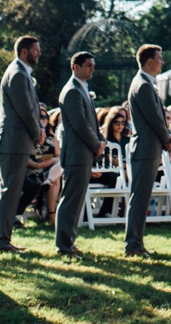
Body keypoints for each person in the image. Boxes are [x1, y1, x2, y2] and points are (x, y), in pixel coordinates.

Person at [0, 35, 43, 252]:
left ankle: (4, 239)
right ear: (24, 52)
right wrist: (37, 131)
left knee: (11, 190)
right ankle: (0, 241)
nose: (38, 54)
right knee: (9, 190)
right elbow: (25, 109)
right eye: (35, 50)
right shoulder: (18, 74)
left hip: (16, 142)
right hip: (12, 141)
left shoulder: (21, 73)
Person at [125, 44, 171, 257]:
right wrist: (167, 139)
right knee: (140, 197)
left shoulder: (144, 83)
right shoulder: (143, 85)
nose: (162, 62)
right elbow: (155, 117)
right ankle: (133, 244)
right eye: (159, 58)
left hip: (148, 147)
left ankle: (137, 242)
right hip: (146, 147)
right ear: (149, 62)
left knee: (142, 197)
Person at [56, 51, 105, 256]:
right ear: (75, 67)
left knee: (76, 200)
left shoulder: (82, 89)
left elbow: (91, 121)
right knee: (71, 200)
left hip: (84, 153)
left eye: (93, 65)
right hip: (77, 153)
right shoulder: (72, 90)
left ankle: (69, 241)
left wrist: (100, 139)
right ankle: (64, 245)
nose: (92, 69)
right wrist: (96, 144)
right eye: (88, 65)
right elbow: (80, 124)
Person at [26, 104, 61, 223]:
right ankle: (52, 215)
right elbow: (24, 157)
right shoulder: (27, 136)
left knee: (61, 164)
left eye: (46, 116)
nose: (43, 119)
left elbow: (59, 156)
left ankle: (48, 181)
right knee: (56, 179)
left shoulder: (52, 137)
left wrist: (51, 161)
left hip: (50, 169)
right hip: (32, 170)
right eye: (40, 117)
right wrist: (37, 165)